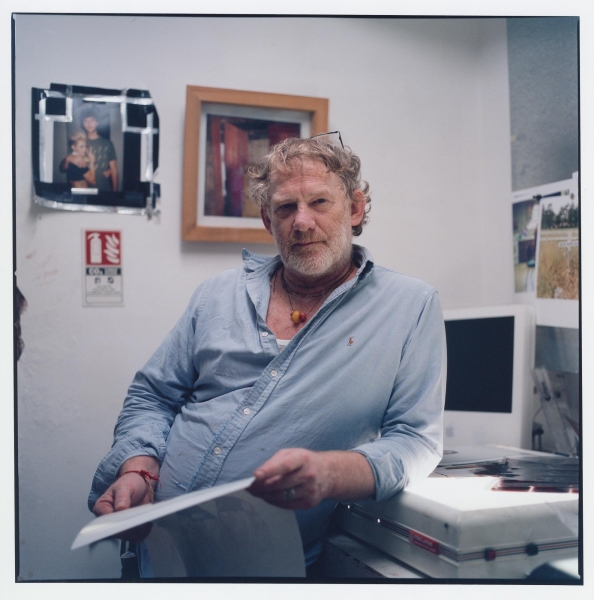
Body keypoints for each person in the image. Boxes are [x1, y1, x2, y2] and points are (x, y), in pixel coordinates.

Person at [89, 135, 446, 574]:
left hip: (269, 569)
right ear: (267, 220)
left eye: (319, 202)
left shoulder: (410, 306)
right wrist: (139, 470)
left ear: (355, 208)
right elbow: (153, 396)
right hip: (155, 551)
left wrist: (333, 473)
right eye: (285, 208)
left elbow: (417, 440)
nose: (302, 222)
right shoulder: (217, 294)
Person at [61, 107, 118, 191]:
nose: (89, 123)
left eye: (92, 120)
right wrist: (68, 159)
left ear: (97, 123)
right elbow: (62, 169)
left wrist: (115, 193)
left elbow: (114, 170)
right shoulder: (78, 142)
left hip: (103, 189)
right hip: (84, 191)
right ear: (83, 124)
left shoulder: (108, 144)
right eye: (86, 121)